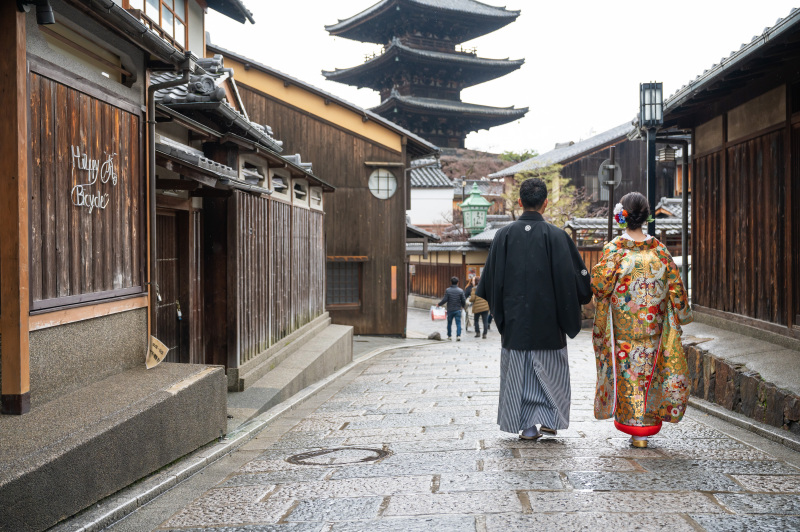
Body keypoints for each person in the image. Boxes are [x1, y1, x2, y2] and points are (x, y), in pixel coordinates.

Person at [476, 178, 592, 440]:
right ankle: (550, 421)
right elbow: (578, 283)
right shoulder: (558, 236)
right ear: (546, 203)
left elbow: (489, 284)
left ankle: (527, 428)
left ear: (519, 202)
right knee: (552, 374)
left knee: (519, 376)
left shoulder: (502, 236)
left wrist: (503, 311)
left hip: (515, 325)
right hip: (550, 324)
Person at [591, 192, 692, 448]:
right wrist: (682, 313)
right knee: (651, 372)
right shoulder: (659, 250)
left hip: (623, 330)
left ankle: (634, 426)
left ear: (621, 216)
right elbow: (677, 288)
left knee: (628, 374)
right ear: (646, 215)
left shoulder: (614, 249)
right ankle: (645, 427)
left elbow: (600, 287)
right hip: (654, 328)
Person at [438, 276, 466, 341]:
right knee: (458, 323)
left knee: (449, 323)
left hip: (450, 309)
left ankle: (449, 336)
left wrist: (439, 304)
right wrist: (463, 306)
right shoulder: (460, 290)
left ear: (451, 282)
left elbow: (445, 299)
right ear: (457, 283)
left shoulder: (448, 290)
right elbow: (463, 300)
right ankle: (458, 336)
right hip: (458, 309)